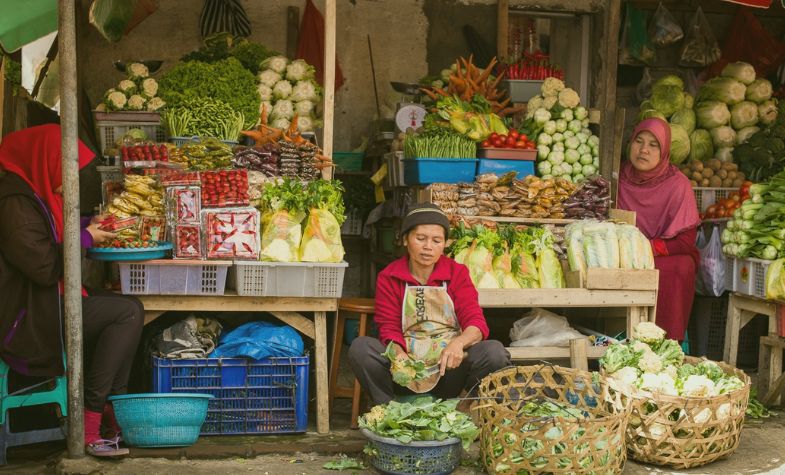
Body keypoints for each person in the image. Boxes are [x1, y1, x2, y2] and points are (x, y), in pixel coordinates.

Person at [0, 124, 144, 457]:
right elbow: (45, 266)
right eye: (65, 170)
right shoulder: (12, 203)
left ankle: (111, 409)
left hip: (40, 301)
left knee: (131, 306)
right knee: (126, 314)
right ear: (43, 161)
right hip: (26, 314)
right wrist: (87, 238)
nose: (69, 182)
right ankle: (91, 424)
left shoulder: (28, 193)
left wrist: (89, 225)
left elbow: (47, 234)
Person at [348, 203, 510, 405]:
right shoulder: (389, 276)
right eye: (420, 238)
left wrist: (457, 344)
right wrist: (400, 357)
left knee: (495, 352)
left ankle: (461, 408)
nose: (428, 247)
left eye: (436, 240)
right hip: (406, 373)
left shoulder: (457, 273)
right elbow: (387, 327)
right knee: (361, 348)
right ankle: (388, 410)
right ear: (405, 239)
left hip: (449, 369)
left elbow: (476, 323)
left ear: (444, 244)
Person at [618, 118, 701, 341]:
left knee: (681, 267)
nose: (644, 150)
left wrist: (647, 248)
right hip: (621, 254)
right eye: (639, 141)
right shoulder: (616, 178)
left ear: (664, 150)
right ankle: (612, 337)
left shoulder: (678, 184)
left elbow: (685, 241)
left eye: (653, 145)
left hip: (656, 252)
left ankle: (667, 341)